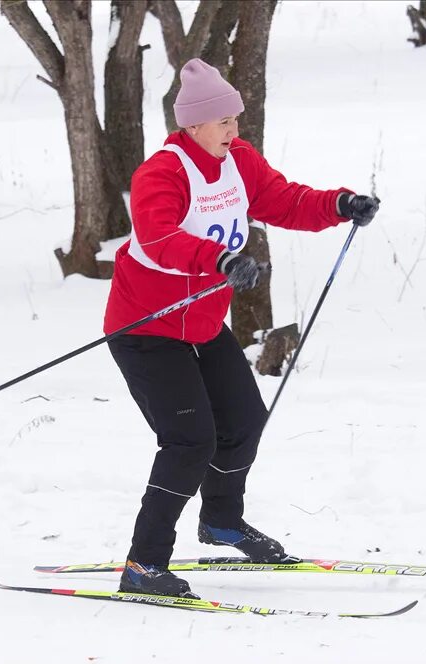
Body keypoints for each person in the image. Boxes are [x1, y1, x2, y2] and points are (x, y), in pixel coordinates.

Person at [103, 58, 380, 599]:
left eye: (236, 118)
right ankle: (144, 567)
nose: (235, 129)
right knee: (188, 441)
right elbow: (158, 240)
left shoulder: (239, 161)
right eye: (225, 120)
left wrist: (340, 204)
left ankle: (222, 523)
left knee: (244, 420)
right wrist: (220, 260)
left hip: (202, 324)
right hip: (148, 329)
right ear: (193, 125)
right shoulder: (160, 174)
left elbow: (282, 199)